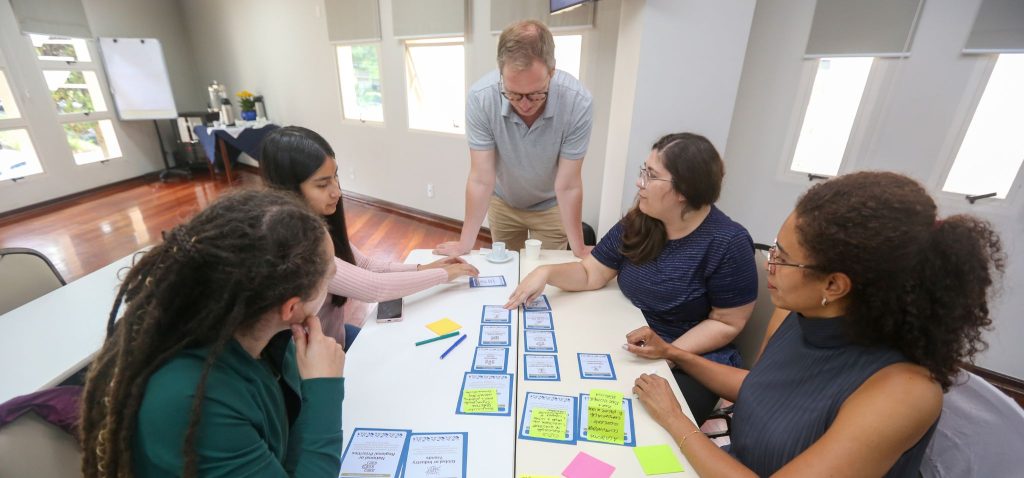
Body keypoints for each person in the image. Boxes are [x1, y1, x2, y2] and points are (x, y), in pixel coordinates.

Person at [628, 171, 1005, 477]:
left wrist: (676, 420)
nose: (769, 265)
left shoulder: (904, 391)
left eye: (783, 258)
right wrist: (673, 352)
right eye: (774, 247)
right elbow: (764, 390)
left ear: (834, 285)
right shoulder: (802, 314)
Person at [80, 190, 347, 477]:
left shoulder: (266, 335)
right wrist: (323, 389)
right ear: (291, 307)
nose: (331, 280)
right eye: (329, 275)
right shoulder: (195, 399)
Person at [507, 132, 758, 423]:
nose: (640, 183)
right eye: (643, 171)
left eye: (651, 176)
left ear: (683, 191)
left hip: (692, 359)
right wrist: (546, 272)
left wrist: (669, 351)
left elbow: (727, 322)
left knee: (637, 424)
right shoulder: (640, 218)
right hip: (630, 336)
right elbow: (591, 273)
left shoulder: (729, 242)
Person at [260, 126, 479, 349]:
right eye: (322, 184)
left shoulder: (315, 222)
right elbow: (375, 288)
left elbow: (366, 265)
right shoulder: (297, 246)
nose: (337, 191)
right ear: (288, 189)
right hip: (316, 361)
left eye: (335, 177)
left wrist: (424, 268)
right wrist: (442, 274)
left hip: (336, 339)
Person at [434, 19, 594, 258]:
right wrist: (465, 243)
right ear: (501, 72)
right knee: (506, 271)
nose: (525, 105)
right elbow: (481, 178)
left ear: (552, 72)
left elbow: (568, 184)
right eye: (513, 94)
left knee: (546, 276)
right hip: (504, 203)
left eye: (536, 93)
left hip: (551, 205)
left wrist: (579, 248)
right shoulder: (482, 98)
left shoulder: (577, 102)